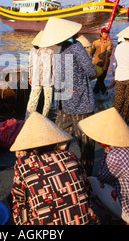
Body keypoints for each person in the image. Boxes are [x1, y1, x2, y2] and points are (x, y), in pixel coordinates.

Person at [10, 111, 100, 225]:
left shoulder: (23, 164)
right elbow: (87, 188)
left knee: (17, 202)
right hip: (84, 221)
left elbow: (19, 198)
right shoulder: (70, 155)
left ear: (31, 148)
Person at [78, 107, 129, 225]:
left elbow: (102, 177)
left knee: (92, 183)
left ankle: (115, 218)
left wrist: (107, 150)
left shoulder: (116, 155)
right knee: (114, 180)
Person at [38, 17, 97, 176]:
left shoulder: (64, 49)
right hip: (78, 103)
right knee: (85, 144)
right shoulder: (76, 47)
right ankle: (84, 175)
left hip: (66, 103)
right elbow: (91, 72)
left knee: (60, 140)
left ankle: (57, 171)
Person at [25, 30, 55, 119]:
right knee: (48, 101)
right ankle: (44, 118)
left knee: (33, 100)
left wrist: (30, 77)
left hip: (36, 79)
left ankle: (28, 119)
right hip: (48, 79)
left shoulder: (32, 51)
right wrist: (53, 80)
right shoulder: (50, 51)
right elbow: (54, 67)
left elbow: (30, 65)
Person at [89, 27, 113, 95]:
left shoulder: (109, 43)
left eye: (107, 33)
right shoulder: (95, 42)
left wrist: (105, 66)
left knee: (100, 80)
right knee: (99, 81)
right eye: (105, 33)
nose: (106, 35)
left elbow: (108, 56)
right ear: (101, 33)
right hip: (96, 63)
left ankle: (97, 94)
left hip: (104, 64)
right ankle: (104, 94)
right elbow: (91, 54)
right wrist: (89, 63)